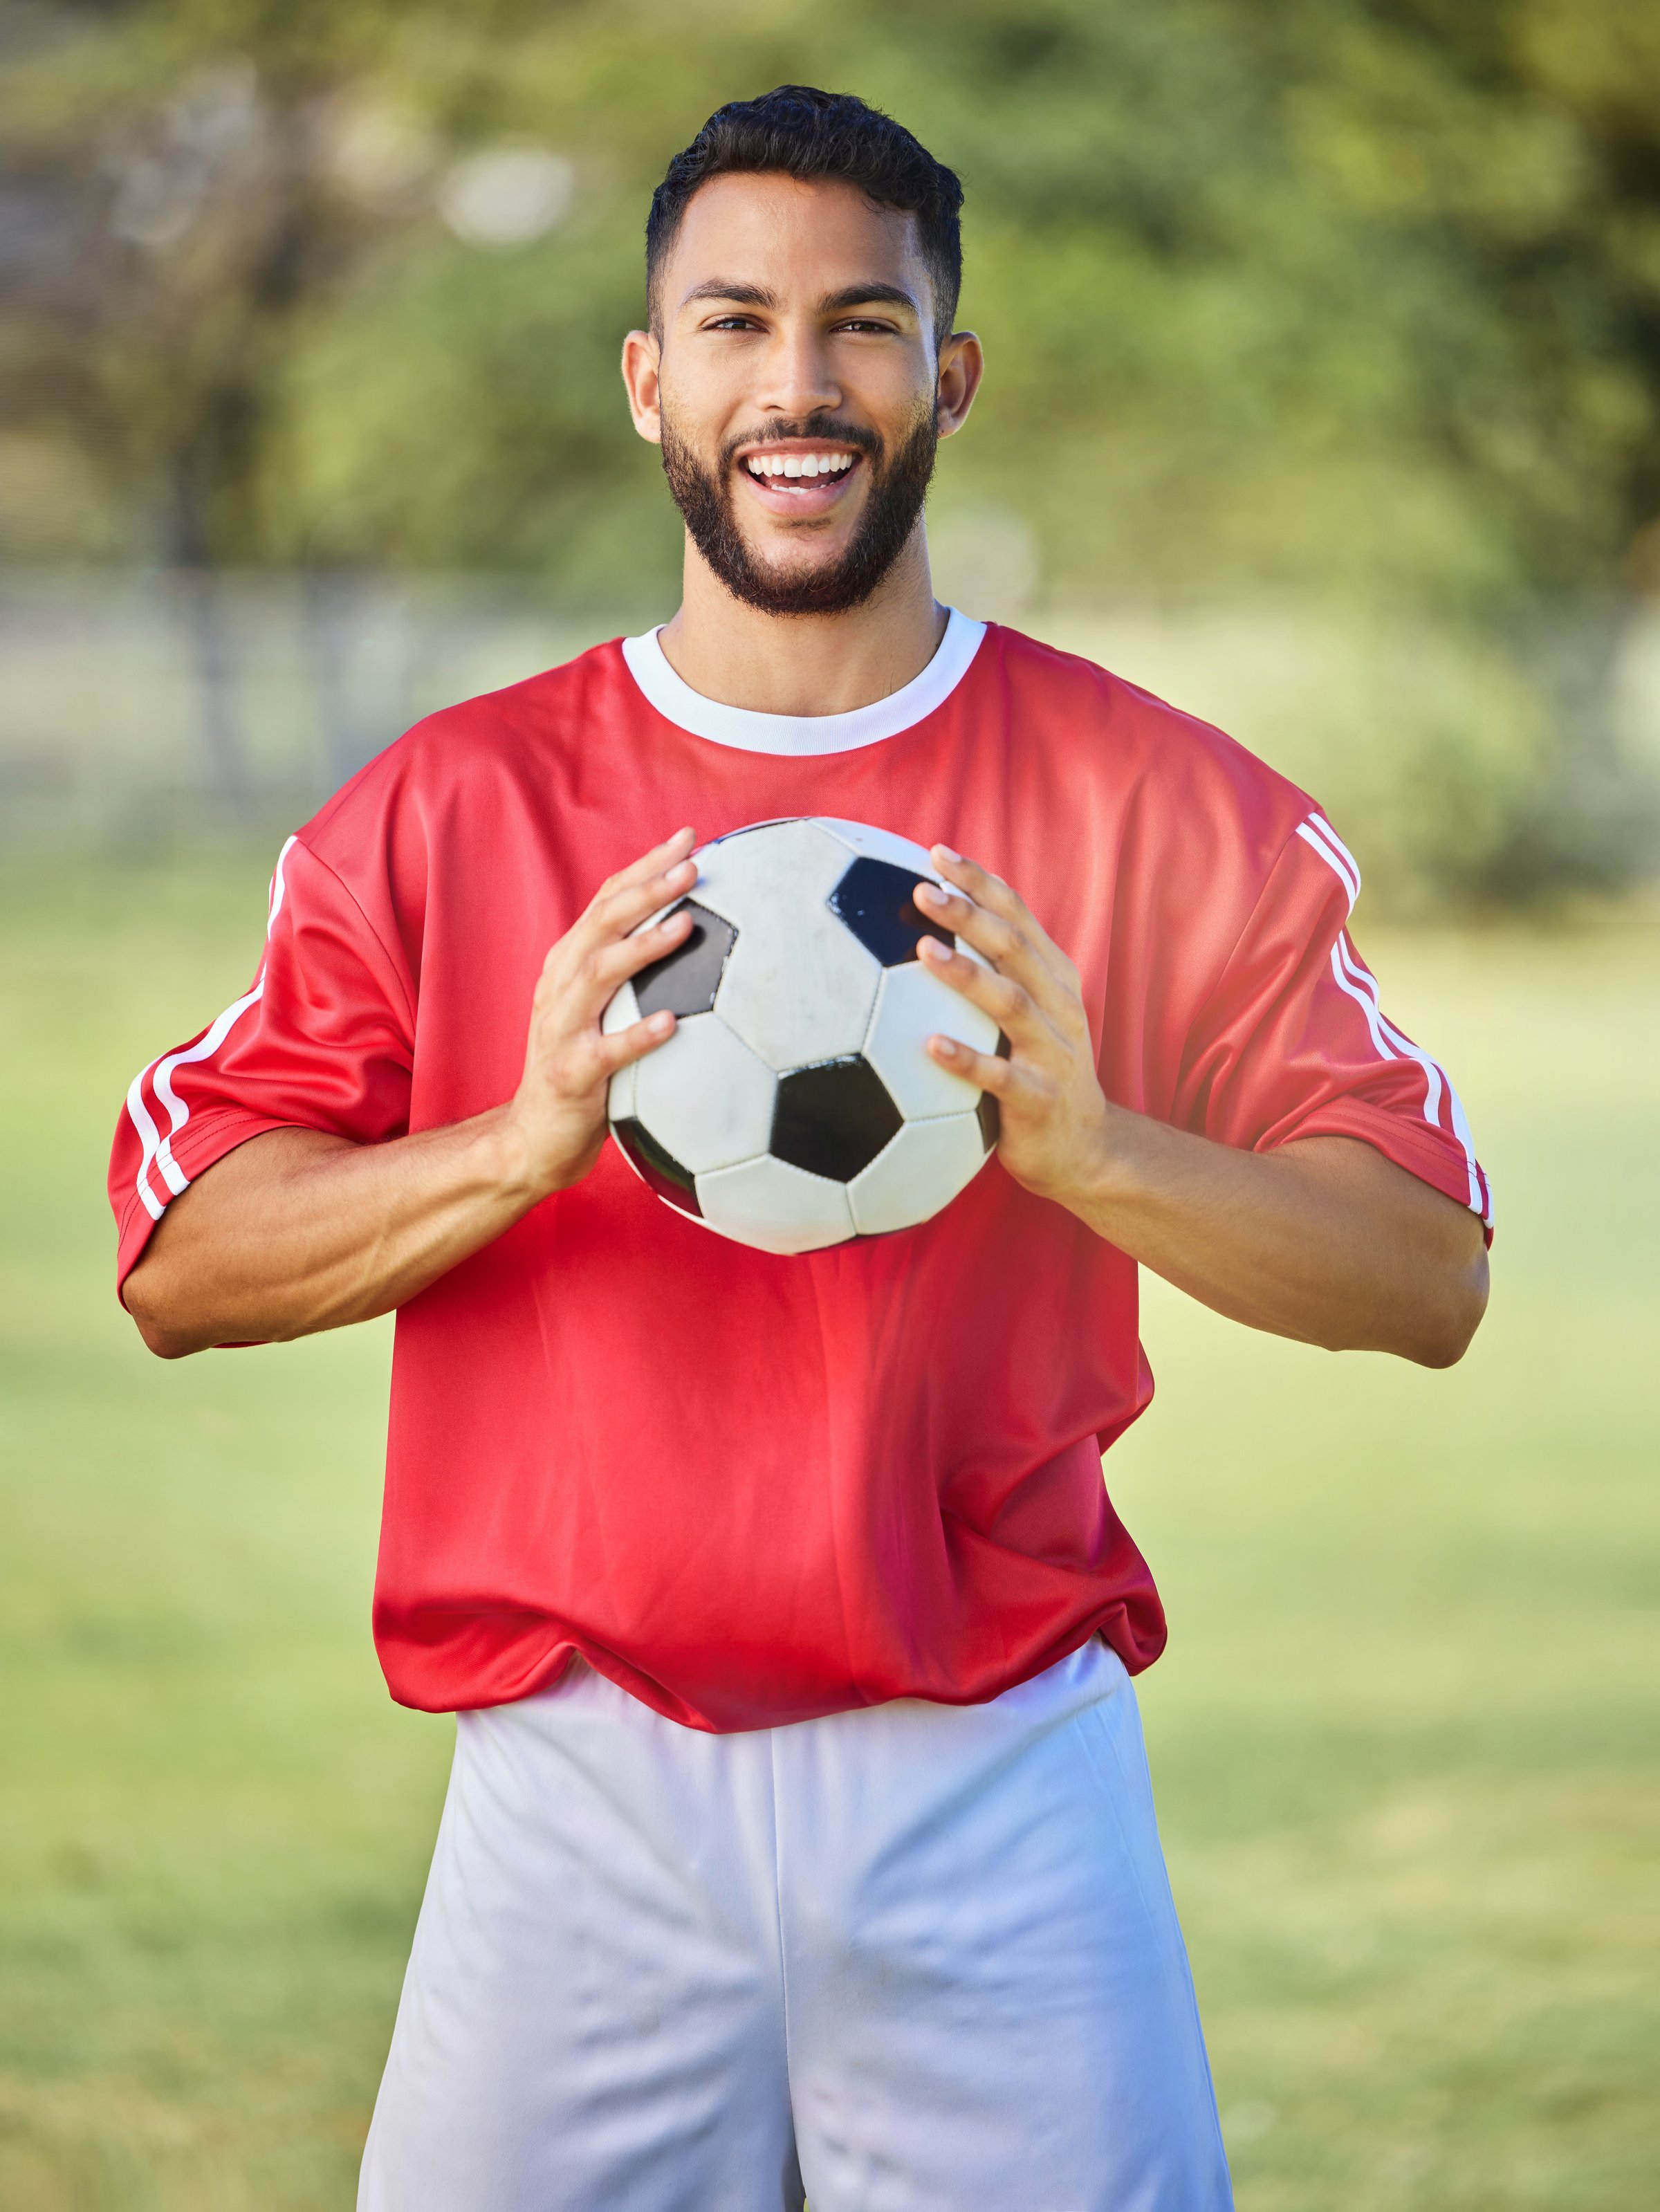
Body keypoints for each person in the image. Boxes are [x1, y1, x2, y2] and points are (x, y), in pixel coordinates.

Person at [109, 85, 1491, 2212]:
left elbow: (1426, 1279)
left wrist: (1099, 1154)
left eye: (862, 323)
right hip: (577, 1793)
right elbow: (186, 1266)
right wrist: (519, 1141)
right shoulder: (452, 806)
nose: (800, 382)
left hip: (998, 1781)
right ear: (651, 378)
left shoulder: (1157, 804)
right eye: (736, 322)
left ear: (948, 373)